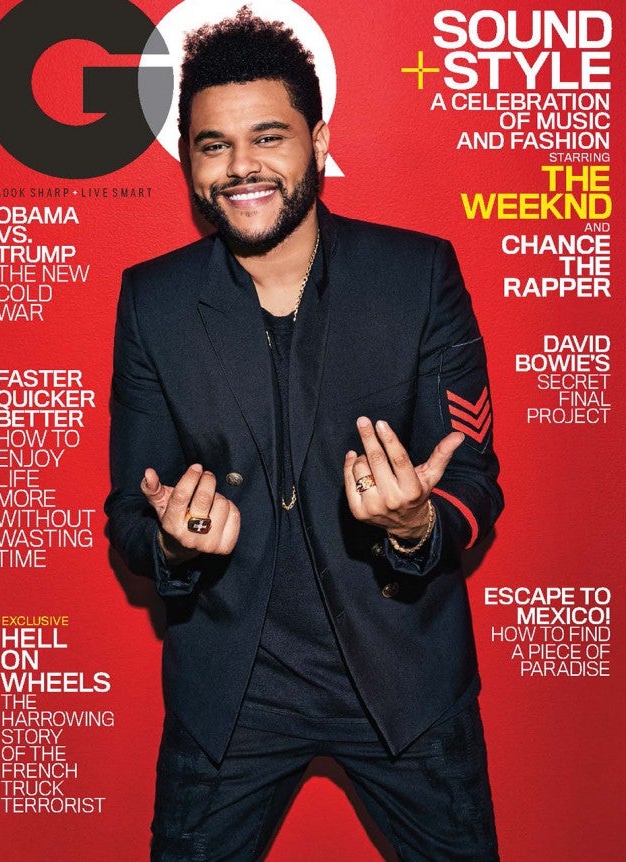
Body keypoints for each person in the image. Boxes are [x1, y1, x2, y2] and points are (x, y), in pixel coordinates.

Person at [105, 8, 503, 861]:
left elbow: (472, 482)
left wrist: (416, 526)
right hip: (230, 699)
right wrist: (172, 543)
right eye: (214, 146)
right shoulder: (153, 302)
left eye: (268, 137)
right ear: (189, 164)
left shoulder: (416, 276)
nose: (241, 166)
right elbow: (130, 516)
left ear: (318, 142)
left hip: (403, 685)